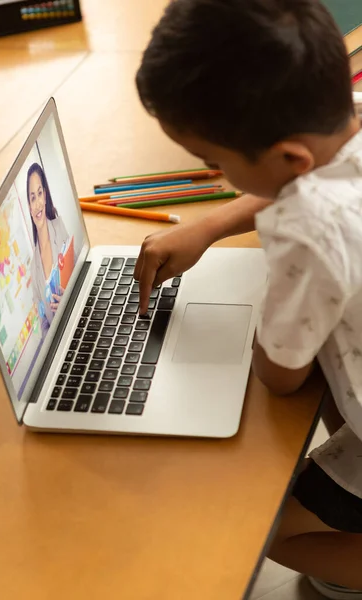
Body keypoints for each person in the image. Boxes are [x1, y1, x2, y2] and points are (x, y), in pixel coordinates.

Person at [134, 0, 362, 596]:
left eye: (216, 163)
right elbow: (313, 172)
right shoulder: (349, 122)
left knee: (268, 533)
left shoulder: (307, 231)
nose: (219, 174)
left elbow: (282, 374)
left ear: (288, 157)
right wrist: (210, 227)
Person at [27, 162, 69, 335]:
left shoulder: (59, 228)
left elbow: (77, 278)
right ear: (29, 206)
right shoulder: (33, 269)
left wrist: (66, 301)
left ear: (45, 196)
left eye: (39, 194)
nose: (37, 204)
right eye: (32, 198)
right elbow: (44, 323)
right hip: (58, 338)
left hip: (75, 319)